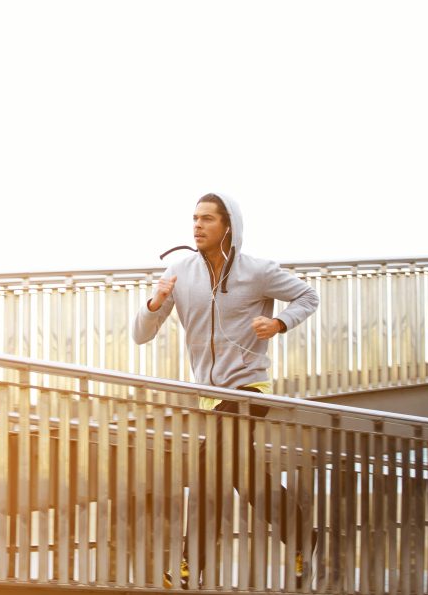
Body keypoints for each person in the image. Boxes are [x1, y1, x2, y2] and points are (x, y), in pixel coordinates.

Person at [133, 192, 319, 588]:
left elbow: (308, 295)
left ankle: (189, 566)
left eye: (207, 219)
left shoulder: (258, 271)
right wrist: (155, 302)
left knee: (206, 468)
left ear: (227, 226)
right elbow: (140, 335)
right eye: (194, 219)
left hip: (250, 387)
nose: (197, 226)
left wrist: (280, 323)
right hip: (211, 395)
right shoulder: (180, 271)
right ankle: (304, 536)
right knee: (245, 478)